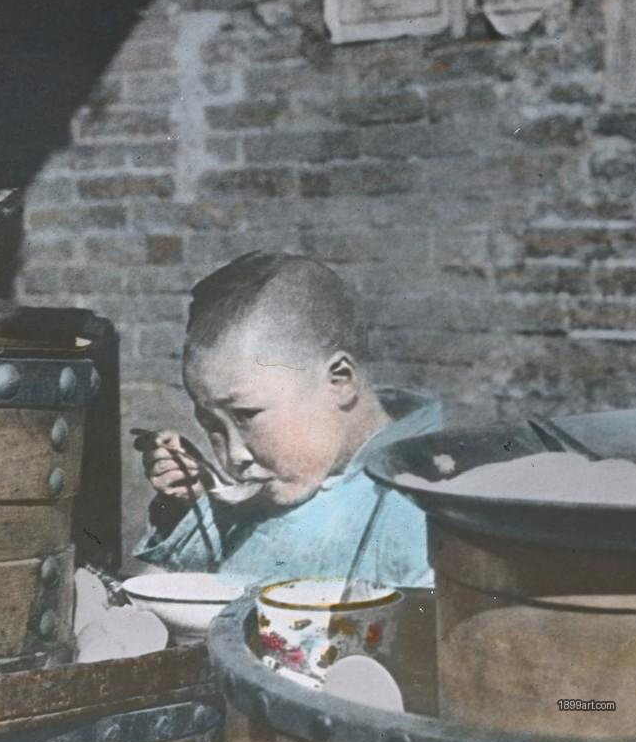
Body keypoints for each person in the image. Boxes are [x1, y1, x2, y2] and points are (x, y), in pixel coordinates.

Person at [133, 251, 442, 587]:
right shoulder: (288, 477)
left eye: (246, 416)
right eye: (211, 425)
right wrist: (184, 508)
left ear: (339, 381)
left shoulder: (423, 509)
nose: (234, 456)